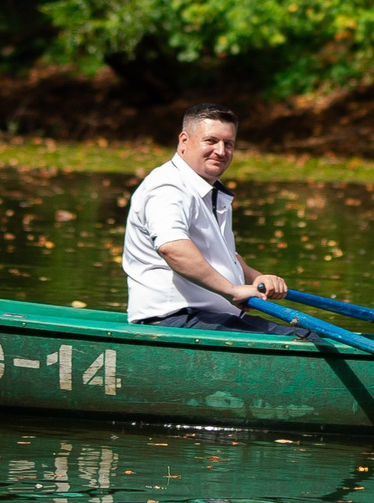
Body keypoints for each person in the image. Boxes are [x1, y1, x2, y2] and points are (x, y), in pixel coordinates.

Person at [123, 103, 305, 336]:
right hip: (176, 321)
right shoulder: (167, 188)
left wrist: (256, 277)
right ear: (184, 141)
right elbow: (173, 249)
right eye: (211, 141)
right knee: (303, 338)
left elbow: (220, 254)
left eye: (228, 144)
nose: (221, 151)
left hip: (211, 319)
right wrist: (232, 290)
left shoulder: (207, 189)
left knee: (311, 337)